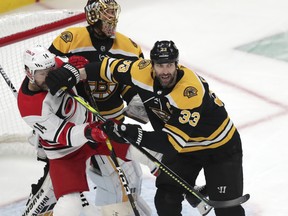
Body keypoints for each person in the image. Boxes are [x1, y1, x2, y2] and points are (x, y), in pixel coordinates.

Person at [47, 40, 246, 216]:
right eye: (160, 65)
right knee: (165, 200)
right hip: (186, 150)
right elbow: (106, 68)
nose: (165, 70)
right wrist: (73, 73)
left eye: (169, 64)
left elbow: (169, 143)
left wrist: (132, 133)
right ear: (152, 65)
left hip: (219, 148)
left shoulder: (189, 91)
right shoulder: (140, 71)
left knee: (227, 209)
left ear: (177, 64)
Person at [47, 0, 159, 214]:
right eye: (105, 17)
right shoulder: (70, 39)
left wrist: (137, 100)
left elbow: (132, 85)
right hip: (76, 125)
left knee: (131, 181)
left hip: (112, 125)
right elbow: (49, 79)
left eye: (112, 16)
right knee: (71, 185)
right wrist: (67, 73)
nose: (111, 22)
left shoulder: (129, 47)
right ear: (92, 16)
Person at [17, 45, 132, 216]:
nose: (49, 76)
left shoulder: (52, 65)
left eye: (51, 70)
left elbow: (71, 67)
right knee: (70, 205)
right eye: (42, 74)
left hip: (93, 126)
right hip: (65, 152)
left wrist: (74, 67)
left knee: (137, 147)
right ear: (29, 73)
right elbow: (66, 135)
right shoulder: (30, 108)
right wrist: (90, 132)